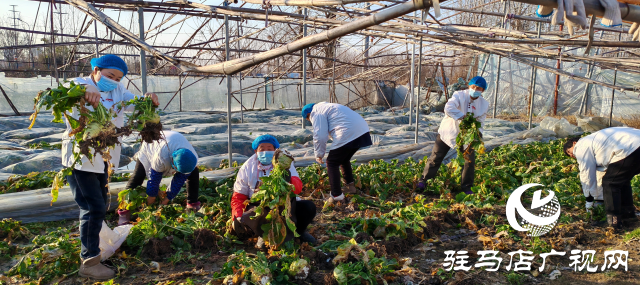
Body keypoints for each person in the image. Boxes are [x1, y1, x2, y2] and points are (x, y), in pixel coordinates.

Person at [63, 54, 159, 280]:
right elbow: (71, 85)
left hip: (103, 160)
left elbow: (134, 100)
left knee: (100, 205)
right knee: (93, 207)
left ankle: (95, 247)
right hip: (81, 159)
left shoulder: (118, 91)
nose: (114, 80)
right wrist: (87, 87)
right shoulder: (78, 85)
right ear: (95, 69)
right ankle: (89, 262)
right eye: (109, 75)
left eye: (118, 77)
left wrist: (148, 99)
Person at [230, 135, 317, 246]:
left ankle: (298, 233)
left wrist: (287, 177)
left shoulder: (284, 163)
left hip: (285, 204)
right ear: (256, 151)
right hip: (259, 206)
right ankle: (263, 235)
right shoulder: (247, 167)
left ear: (275, 150)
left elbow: (298, 188)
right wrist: (237, 216)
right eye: (262, 149)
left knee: (308, 207)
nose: (266, 152)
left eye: (269, 149)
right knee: (253, 214)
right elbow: (239, 196)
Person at [416, 76, 489, 194]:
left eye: (478, 88)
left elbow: (480, 121)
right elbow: (448, 108)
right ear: (469, 86)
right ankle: (423, 181)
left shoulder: (484, 104)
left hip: (467, 136)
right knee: (436, 157)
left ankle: (466, 187)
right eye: (473, 87)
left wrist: (477, 134)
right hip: (448, 132)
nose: (475, 89)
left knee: (469, 161)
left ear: (483, 90)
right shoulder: (459, 95)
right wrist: (462, 117)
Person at [118, 131, 200, 225]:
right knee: (137, 177)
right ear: (173, 163)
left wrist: (166, 200)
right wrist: (150, 201)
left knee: (194, 172)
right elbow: (154, 180)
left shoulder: (192, 159)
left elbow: (178, 181)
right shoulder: (162, 156)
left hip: (175, 142)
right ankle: (124, 212)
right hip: (152, 145)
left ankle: (192, 204)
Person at [564, 127, 640, 228]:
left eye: (569, 152)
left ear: (574, 143)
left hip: (631, 147)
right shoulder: (596, 140)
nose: (572, 155)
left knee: (610, 183)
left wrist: (589, 201)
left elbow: (586, 174)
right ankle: (629, 216)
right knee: (621, 180)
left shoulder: (581, 145)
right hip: (635, 143)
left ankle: (614, 222)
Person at [302, 102, 372, 203]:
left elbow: (320, 135)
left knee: (332, 162)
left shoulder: (316, 112)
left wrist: (319, 154)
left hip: (347, 132)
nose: (310, 121)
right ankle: (350, 186)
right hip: (362, 130)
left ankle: (336, 195)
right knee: (344, 159)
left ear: (308, 115)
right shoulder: (327, 106)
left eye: (309, 120)